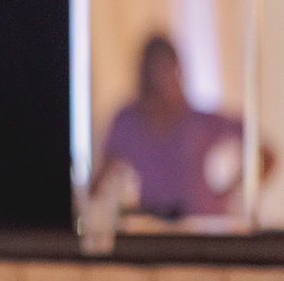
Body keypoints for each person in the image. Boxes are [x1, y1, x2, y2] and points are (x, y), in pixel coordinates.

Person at [93, 34, 275, 219]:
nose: (163, 84)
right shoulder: (127, 121)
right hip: (152, 232)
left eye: (168, 71)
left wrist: (231, 191)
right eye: (155, 74)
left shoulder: (201, 122)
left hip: (199, 227)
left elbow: (265, 153)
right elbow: (99, 182)